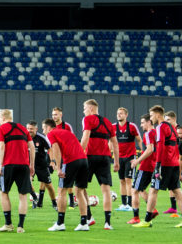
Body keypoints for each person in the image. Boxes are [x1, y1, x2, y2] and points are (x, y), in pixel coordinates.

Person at [133, 105, 182, 228]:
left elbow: (161, 147)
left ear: (158, 115)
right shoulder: (172, 127)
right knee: (177, 191)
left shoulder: (160, 127)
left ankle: (147, 220)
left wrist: (158, 165)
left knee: (153, 190)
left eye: (152, 115)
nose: (151, 118)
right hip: (174, 163)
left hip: (165, 164)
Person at [46, 118, 90, 232]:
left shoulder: (51, 134)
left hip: (71, 161)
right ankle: (84, 223)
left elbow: (56, 149)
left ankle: (60, 223)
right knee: (79, 191)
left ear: (48, 127)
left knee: (62, 191)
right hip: (84, 160)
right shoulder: (67, 132)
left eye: (43, 128)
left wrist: (59, 168)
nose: (43, 131)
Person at [81, 99, 119, 230]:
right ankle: (108, 223)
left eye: (84, 108)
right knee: (106, 190)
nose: (83, 111)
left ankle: (89, 217)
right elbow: (115, 143)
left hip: (90, 157)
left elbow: (85, 138)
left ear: (91, 109)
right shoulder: (108, 122)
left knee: (80, 188)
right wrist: (117, 162)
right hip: (105, 158)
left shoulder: (88, 119)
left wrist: (78, 154)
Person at [0, 109, 35, 234]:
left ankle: (8, 224)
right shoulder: (23, 128)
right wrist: (31, 165)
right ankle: (20, 226)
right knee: (23, 195)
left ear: (2, 118)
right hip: (24, 165)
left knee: (4, 192)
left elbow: (2, 146)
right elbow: (32, 147)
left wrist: (0, 164)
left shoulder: (2, 128)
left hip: (9, 165)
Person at [128, 114, 159, 224]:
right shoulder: (157, 133)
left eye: (142, 122)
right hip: (154, 165)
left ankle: (136, 217)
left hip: (146, 166)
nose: (141, 125)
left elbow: (149, 150)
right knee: (141, 189)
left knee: (134, 190)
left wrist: (137, 161)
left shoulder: (148, 133)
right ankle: (152, 210)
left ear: (149, 122)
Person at [113, 107, 142, 212]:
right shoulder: (113, 127)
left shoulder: (132, 126)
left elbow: (139, 140)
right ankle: (124, 204)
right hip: (119, 158)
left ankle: (130, 204)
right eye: (118, 113)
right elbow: (110, 142)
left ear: (126, 115)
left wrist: (143, 153)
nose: (119, 115)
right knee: (121, 181)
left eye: (121, 113)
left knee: (128, 180)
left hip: (130, 157)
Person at [52, 107, 77, 209]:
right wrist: (52, 160)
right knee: (61, 179)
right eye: (53, 114)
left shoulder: (66, 126)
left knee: (67, 179)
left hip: (67, 156)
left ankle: (70, 201)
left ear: (61, 115)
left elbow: (72, 140)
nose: (54, 116)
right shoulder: (52, 127)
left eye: (56, 114)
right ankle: (66, 201)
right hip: (57, 156)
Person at [29, 120, 57, 210]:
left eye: (31, 129)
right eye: (28, 128)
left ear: (36, 129)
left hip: (41, 165)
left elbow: (50, 149)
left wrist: (52, 161)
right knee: (27, 183)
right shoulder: (24, 137)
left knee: (48, 185)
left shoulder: (42, 138)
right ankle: (35, 198)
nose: (29, 130)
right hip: (29, 165)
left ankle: (54, 203)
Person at [161, 111, 181, 216]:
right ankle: (173, 207)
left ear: (174, 119)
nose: (166, 122)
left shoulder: (179, 130)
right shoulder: (168, 129)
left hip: (180, 160)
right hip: (172, 161)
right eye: (165, 120)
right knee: (172, 186)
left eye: (168, 120)